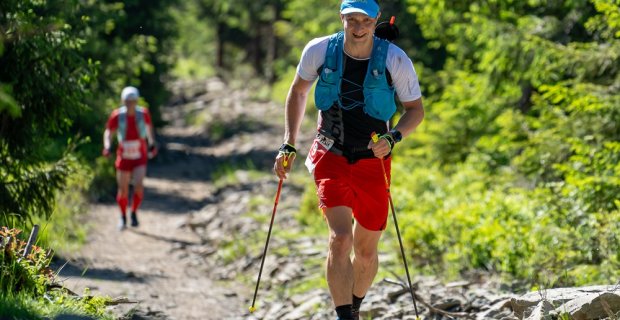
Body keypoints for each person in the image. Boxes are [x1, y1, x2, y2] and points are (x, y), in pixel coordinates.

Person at [272, 0, 424, 319]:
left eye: (365, 21)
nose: (358, 28)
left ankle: (353, 306)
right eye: (352, 19)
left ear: (376, 20)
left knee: (365, 253)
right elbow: (298, 92)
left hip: (373, 161)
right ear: (341, 17)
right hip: (331, 153)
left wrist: (393, 137)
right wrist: (288, 144)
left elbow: (415, 111)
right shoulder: (320, 50)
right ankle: (344, 316)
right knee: (341, 239)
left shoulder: (394, 58)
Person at [103, 86, 157, 230]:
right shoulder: (117, 115)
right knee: (123, 189)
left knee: (139, 186)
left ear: (136, 101)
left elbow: (148, 128)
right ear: (123, 101)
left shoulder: (143, 113)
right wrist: (107, 146)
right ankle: (122, 216)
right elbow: (108, 131)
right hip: (123, 156)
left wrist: (151, 143)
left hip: (139, 155)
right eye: (127, 101)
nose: (130, 104)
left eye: (133, 101)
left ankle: (133, 212)